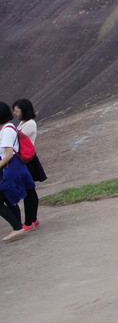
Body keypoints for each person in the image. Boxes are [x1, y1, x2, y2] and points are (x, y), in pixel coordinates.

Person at [0, 102, 35, 241]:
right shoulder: (3, 129)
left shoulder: (7, 130)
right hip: (9, 168)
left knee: (6, 198)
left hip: (11, 168)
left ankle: (17, 228)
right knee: (8, 199)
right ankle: (17, 227)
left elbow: (8, 154)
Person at [12, 99, 44, 231]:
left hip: (28, 159)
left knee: (29, 191)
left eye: (17, 110)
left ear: (24, 110)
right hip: (26, 159)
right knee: (29, 191)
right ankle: (33, 219)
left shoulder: (30, 124)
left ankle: (29, 221)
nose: (14, 113)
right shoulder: (23, 123)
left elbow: (17, 140)